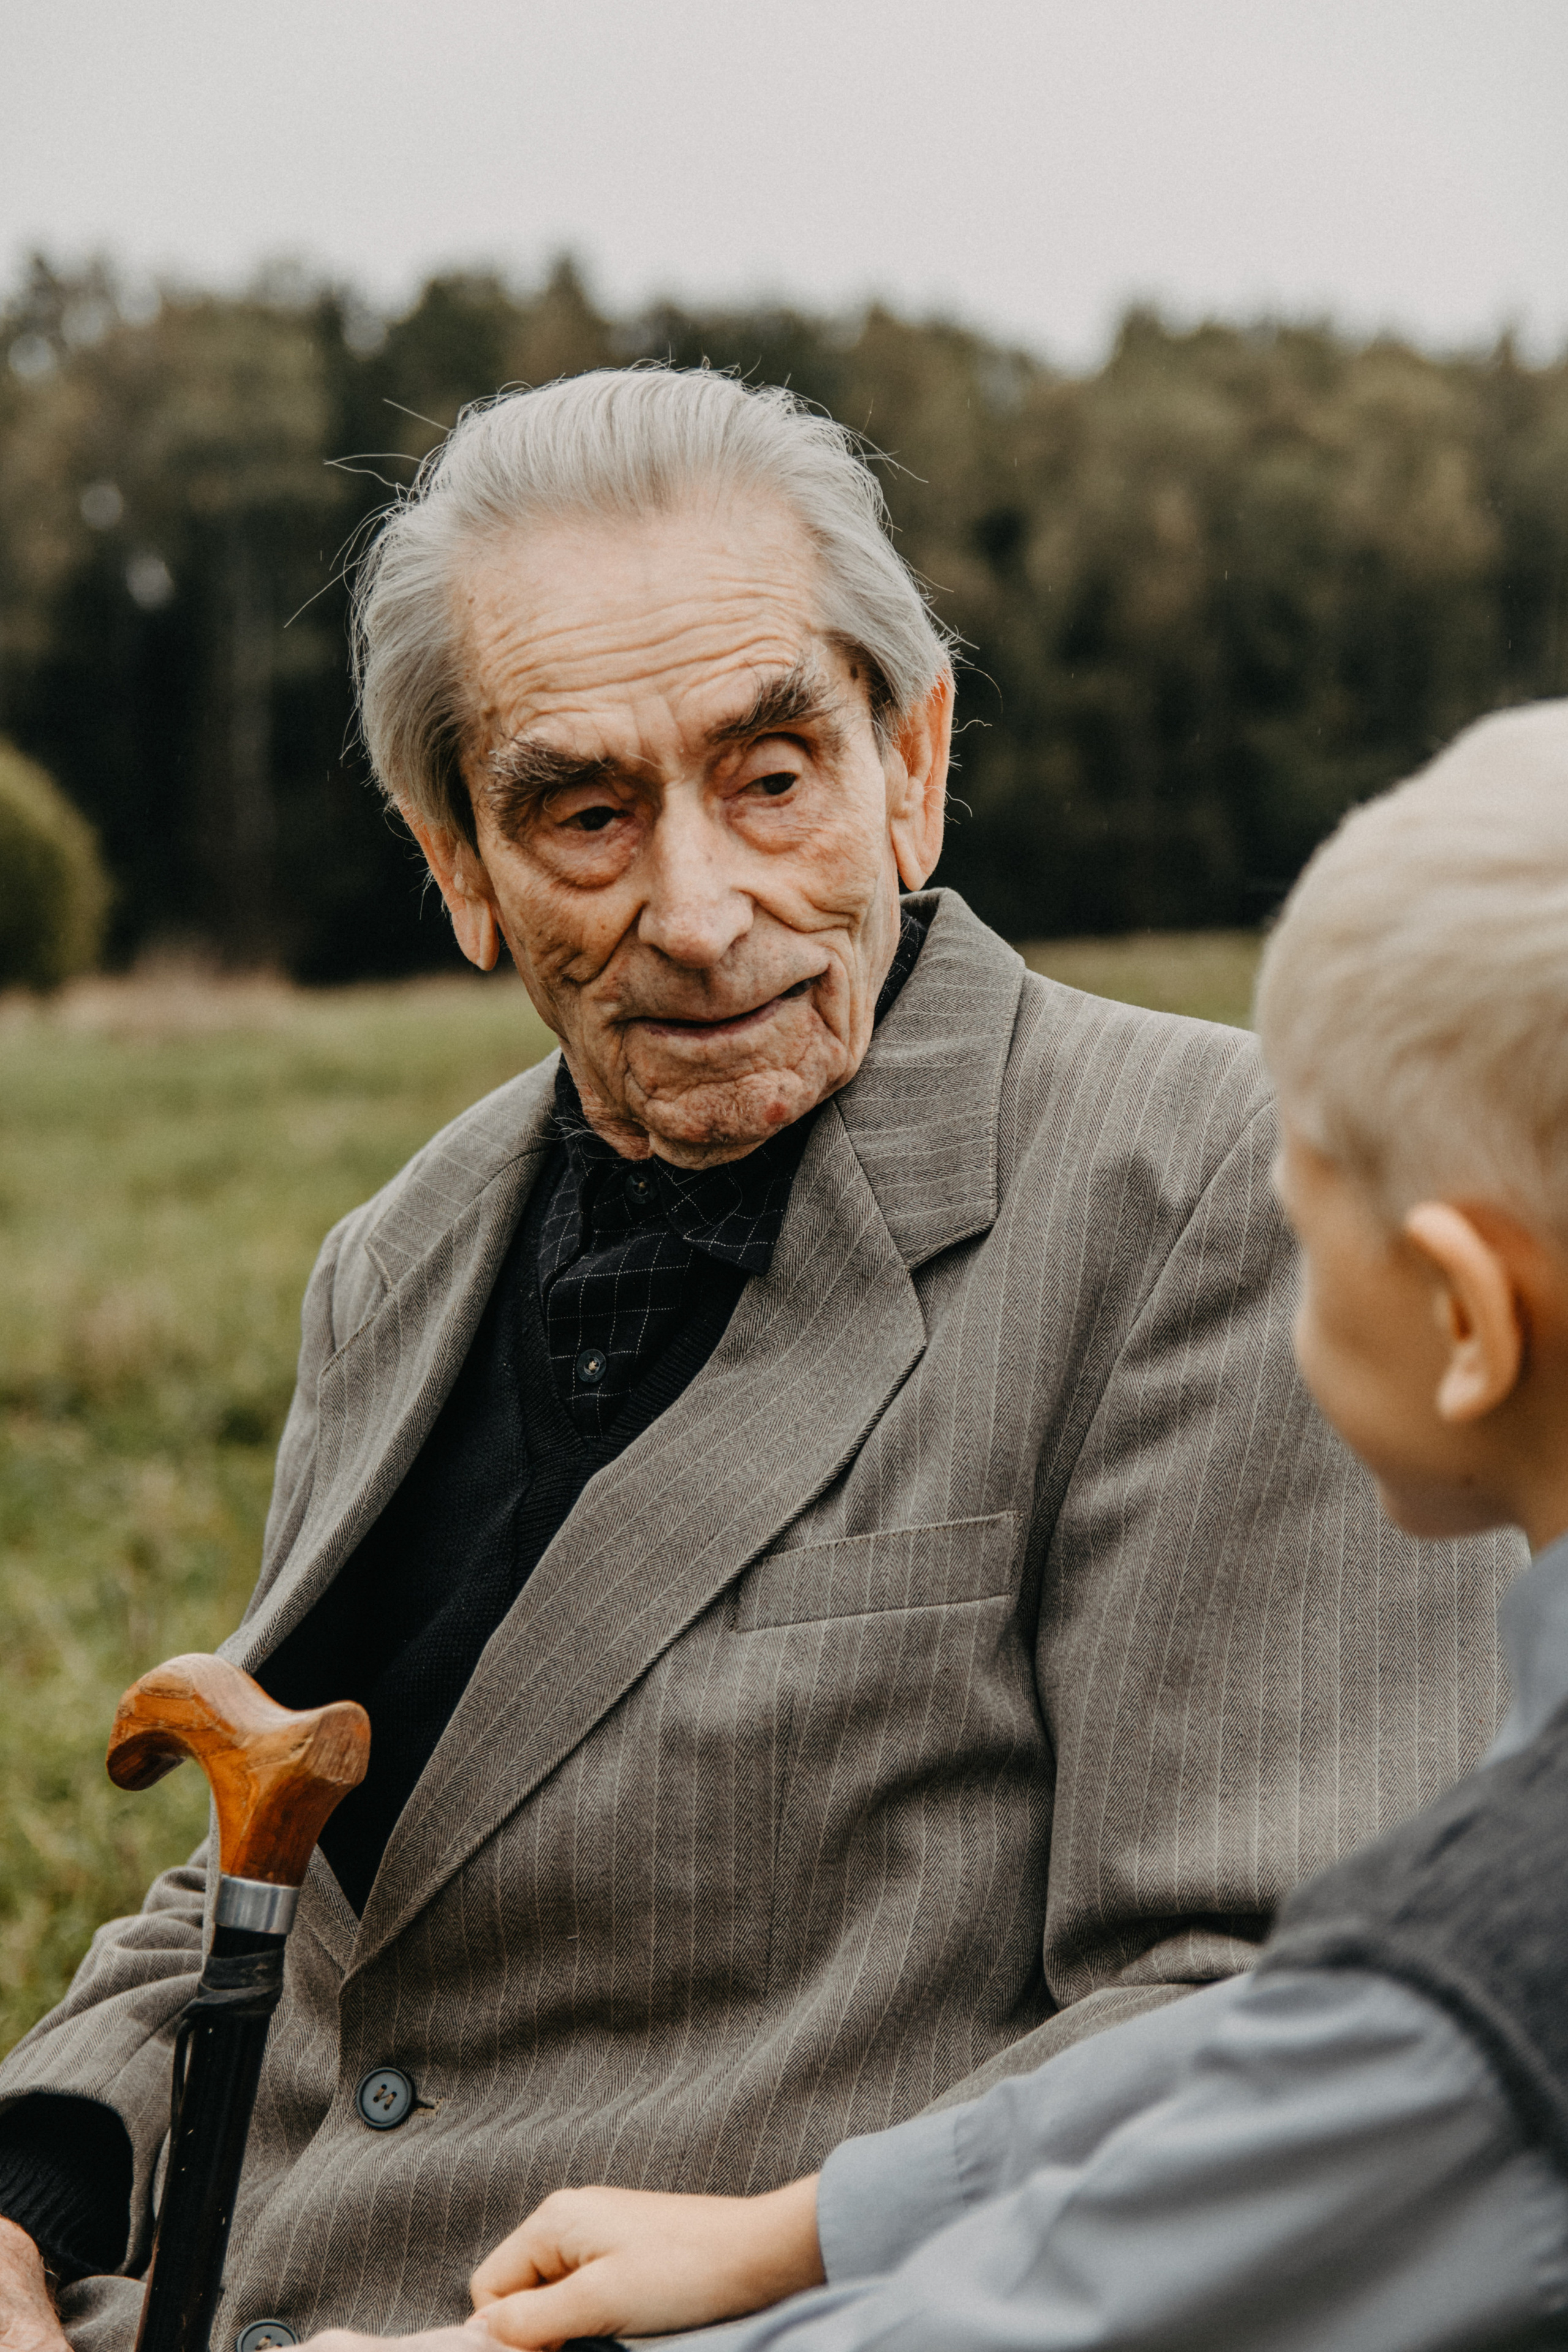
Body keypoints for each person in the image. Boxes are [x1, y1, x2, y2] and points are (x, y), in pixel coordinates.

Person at [0, 372, 1517, 2352]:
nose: (702, 916)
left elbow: (1268, 2028)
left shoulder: (1218, 1189)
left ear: (914, 763)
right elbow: (270, 1886)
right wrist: (23, 2198)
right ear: (458, 861)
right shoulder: (404, 1251)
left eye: (772, 773)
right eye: (584, 812)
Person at [358, 697, 1568, 2352]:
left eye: (1313, 1194)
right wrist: (814, 2226)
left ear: (1466, 1323)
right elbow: (1309, 2028)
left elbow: (1081, 2298)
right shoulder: (1496, 1879)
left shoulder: (1497, 1986)